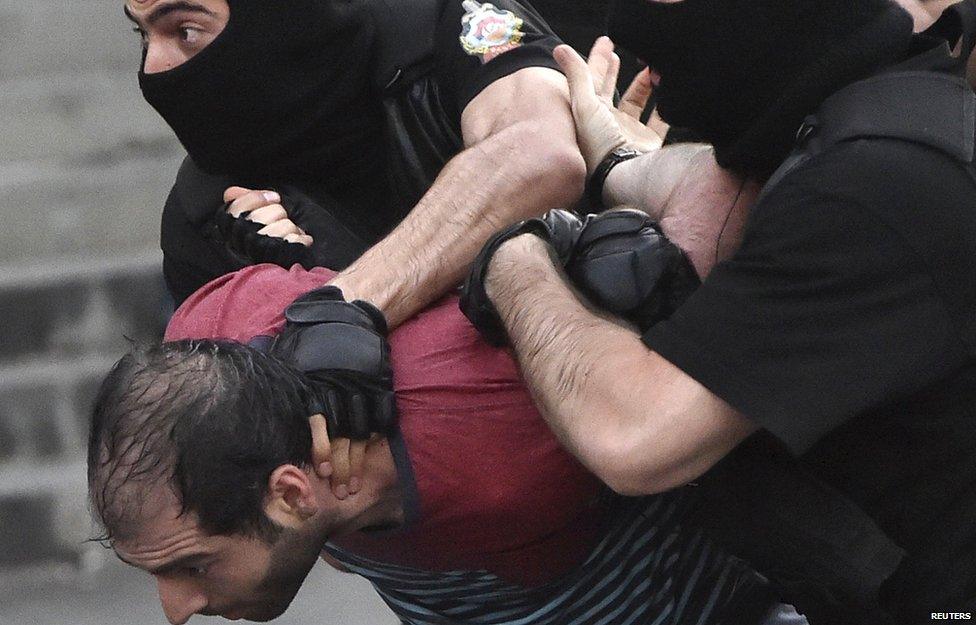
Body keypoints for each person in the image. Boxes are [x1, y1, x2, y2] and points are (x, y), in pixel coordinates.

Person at [460, 0, 976, 622]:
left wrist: (514, 257)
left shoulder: (872, 189)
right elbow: (703, 180)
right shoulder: (876, 108)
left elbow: (632, 434)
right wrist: (608, 160)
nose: (634, 28)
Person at [86, 262, 809, 625]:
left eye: (193, 564)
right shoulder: (208, 329)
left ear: (291, 491)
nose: (175, 607)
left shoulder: (509, 461)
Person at [124, 0, 586, 309]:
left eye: (185, 31)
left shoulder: (444, 22)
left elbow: (538, 154)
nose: (153, 69)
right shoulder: (202, 212)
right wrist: (274, 302)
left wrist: (340, 299)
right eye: (144, 36)